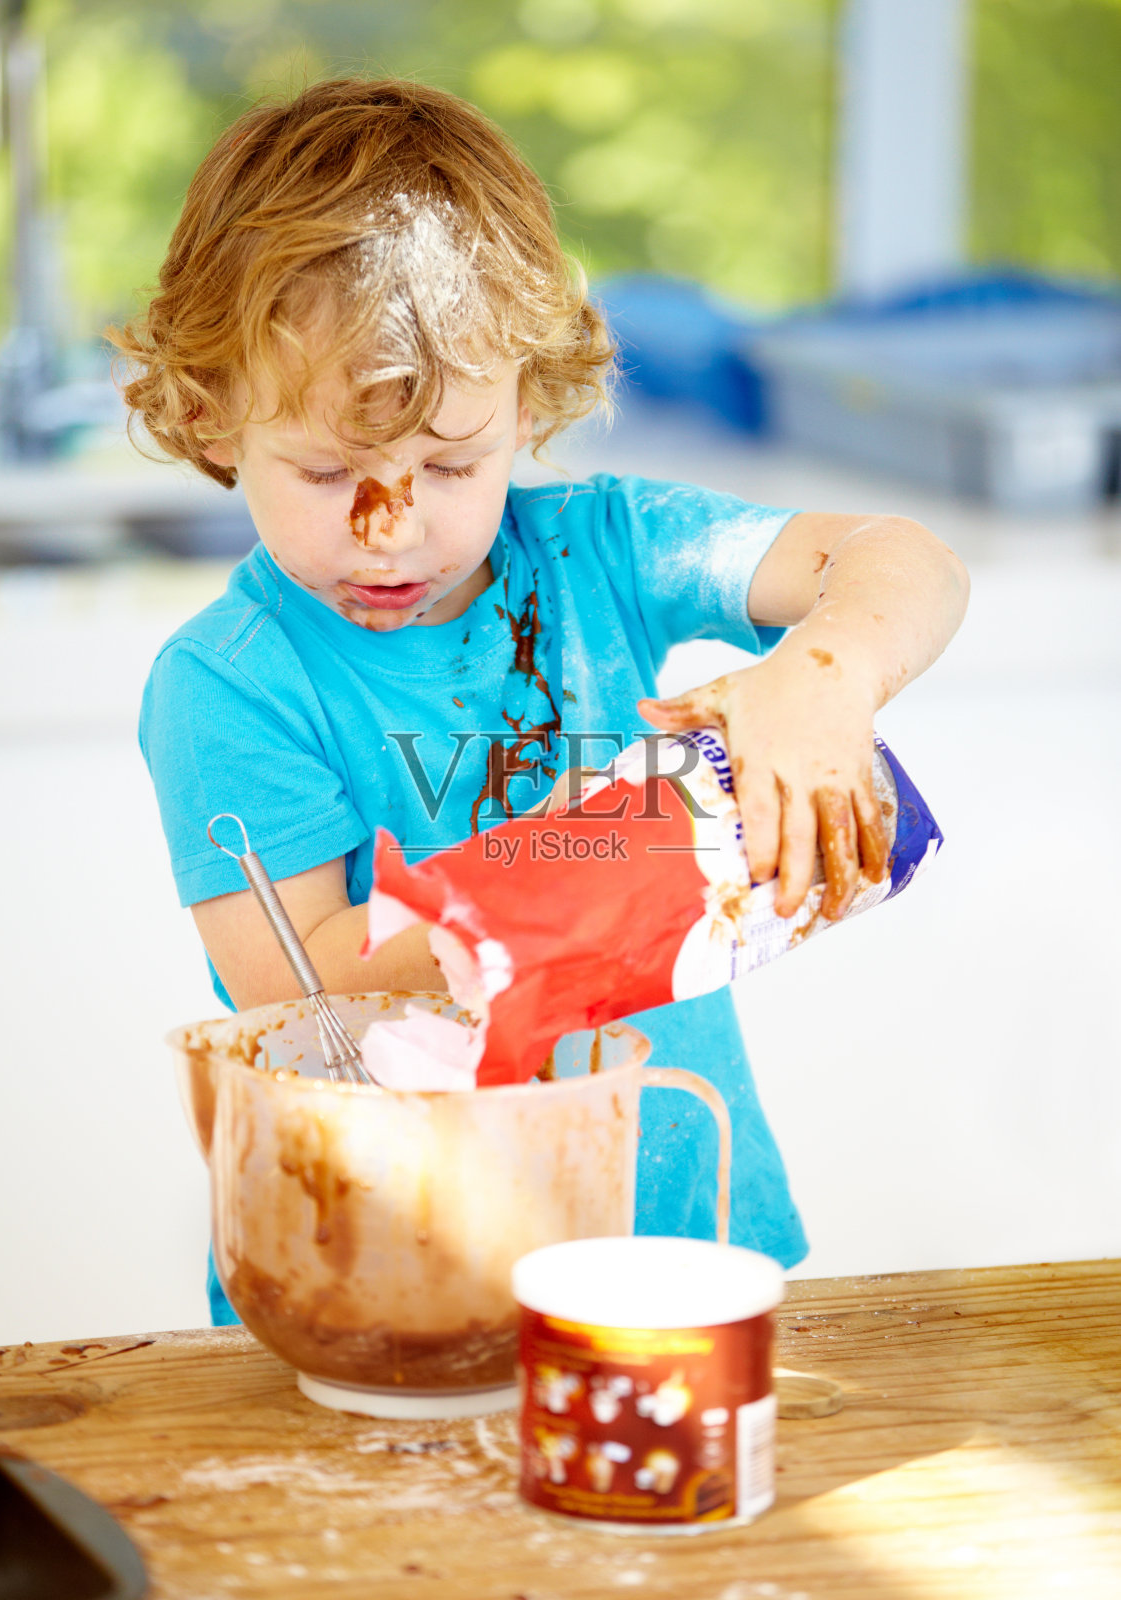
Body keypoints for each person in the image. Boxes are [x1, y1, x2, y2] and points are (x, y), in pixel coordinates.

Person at [114, 78, 968, 1325]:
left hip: (673, 1230)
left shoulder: (598, 554)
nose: (388, 526)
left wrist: (815, 681)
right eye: (325, 470)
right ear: (209, 414)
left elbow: (912, 563)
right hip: (384, 1263)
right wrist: (600, 858)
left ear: (529, 405)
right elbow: (303, 996)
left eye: (450, 464)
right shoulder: (229, 683)